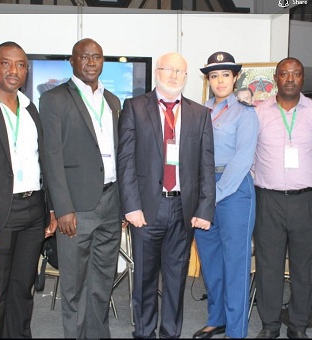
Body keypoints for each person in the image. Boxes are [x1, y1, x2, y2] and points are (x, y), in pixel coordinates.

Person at [117, 52, 216, 338]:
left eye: (180, 71)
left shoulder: (200, 114)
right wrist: (131, 206)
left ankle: (170, 333)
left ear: (187, 77)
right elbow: (125, 160)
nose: (174, 75)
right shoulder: (134, 107)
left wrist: (205, 208)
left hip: (183, 209)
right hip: (147, 208)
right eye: (168, 69)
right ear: (157, 72)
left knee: (176, 279)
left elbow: (205, 165)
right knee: (145, 279)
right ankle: (145, 333)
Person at [39, 38, 122, 339]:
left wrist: (123, 204)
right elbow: (52, 157)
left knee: (102, 282)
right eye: (84, 57)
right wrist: (62, 208)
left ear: (103, 62)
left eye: (96, 57)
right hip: (76, 208)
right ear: (72, 61)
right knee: (73, 287)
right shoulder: (54, 99)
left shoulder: (113, 101)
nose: (90, 62)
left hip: (111, 203)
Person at [0, 41, 56, 338]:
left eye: (20, 64)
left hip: (33, 211)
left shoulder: (31, 108)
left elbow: (41, 161)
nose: (13, 70)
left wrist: (50, 208)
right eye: (6, 63)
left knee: (23, 288)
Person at [252, 57, 312, 339]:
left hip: (306, 201)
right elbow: (249, 156)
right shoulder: (258, 113)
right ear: (276, 78)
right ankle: (270, 325)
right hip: (268, 200)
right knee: (268, 266)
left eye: (296, 74)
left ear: (303, 79)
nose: (290, 79)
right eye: (285, 74)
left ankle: (297, 326)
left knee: (304, 267)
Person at [193, 52, 258, 339]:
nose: (220, 80)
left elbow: (244, 158)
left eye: (226, 75)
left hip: (233, 189)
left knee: (235, 263)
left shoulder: (245, 112)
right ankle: (216, 318)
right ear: (208, 80)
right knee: (210, 260)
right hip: (203, 187)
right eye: (214, 75)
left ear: (235, 78)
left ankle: (236, 330)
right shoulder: (197, 111)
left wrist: (214, 194)